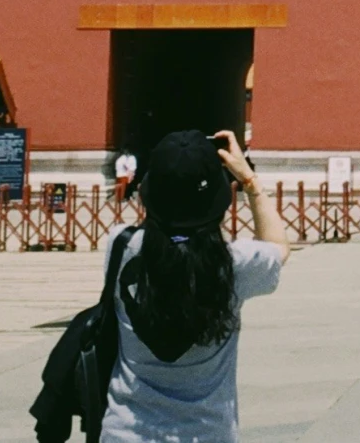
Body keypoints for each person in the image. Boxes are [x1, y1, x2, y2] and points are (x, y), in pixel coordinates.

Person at [100, 130, 287, 443]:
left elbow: (165, 237)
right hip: (207, 434)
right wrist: (249, 181)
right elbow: (279, 247)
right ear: (219, 198)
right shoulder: (235, 263)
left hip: (125, 433)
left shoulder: (120, 245)